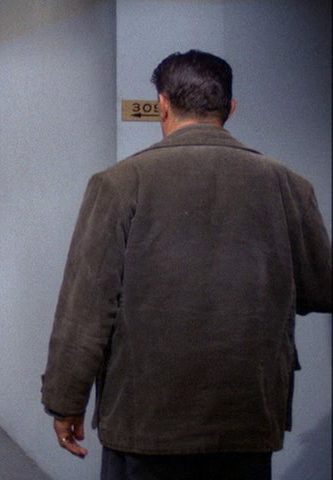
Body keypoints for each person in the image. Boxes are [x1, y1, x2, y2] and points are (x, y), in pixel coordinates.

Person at [41, 50, 331, 480]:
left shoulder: (119, 184)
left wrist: (65, 401)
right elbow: (319, 288)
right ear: (230, 108)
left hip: (146, 420)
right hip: (248, 416)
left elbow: (86, 308)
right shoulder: (288, 185)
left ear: (162, 104)